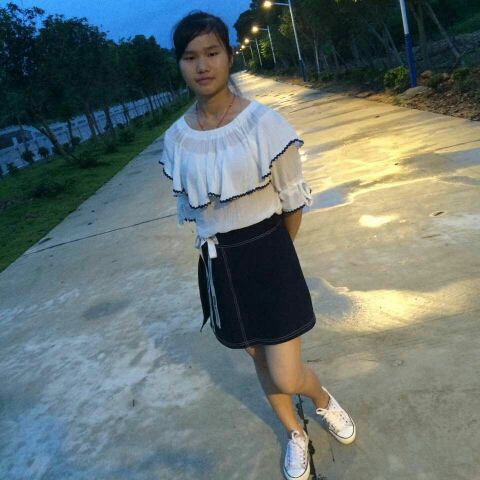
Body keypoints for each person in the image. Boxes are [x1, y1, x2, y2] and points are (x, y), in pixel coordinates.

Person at [159, 10, 356, 480]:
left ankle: (322, 399)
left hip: (269, 253)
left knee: (287, 372)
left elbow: (292, 202)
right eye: (190, 57)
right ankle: (294, 433)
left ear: (228, 56)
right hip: (220, 263)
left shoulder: (263, 125)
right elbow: (197, 214)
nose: (202, 65)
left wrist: (275, 255)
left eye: (211, 53)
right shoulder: (177, 140)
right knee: (260, 362)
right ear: (180, 64)